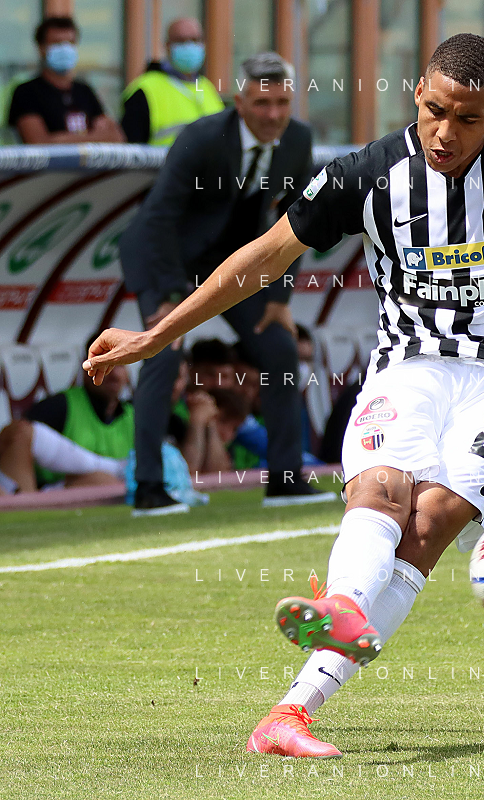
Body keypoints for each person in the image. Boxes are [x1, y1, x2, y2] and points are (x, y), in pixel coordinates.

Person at [83, 32, 484, 758]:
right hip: (409, 363)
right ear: (418, 94)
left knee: (426, 526)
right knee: (378, 491)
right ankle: (335, 618)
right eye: (436, 111)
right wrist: (156, 336)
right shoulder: (366, 173)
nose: (446, 132)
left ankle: (292, 710)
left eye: (468, 119)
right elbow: (259, 261)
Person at [117, 52, 323, 516]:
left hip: (230, 264)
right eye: (262, 103)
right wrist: (171, 299)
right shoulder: (202, 137)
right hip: (166, 257)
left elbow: (298, 221)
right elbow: (159, 217)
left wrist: (279, 298)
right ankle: (148, 488)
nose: (273, 114)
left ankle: (286, 480)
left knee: (279, 347)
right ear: (239, 101)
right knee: (161, 352)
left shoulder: (298, 139)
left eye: (282, 103)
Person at [0, 350, 130, 495]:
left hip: (100, 489)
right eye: (104, 365)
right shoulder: (60, 406)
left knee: (104, 481)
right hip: (36, 489)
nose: (113, 373)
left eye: (120, 365)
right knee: (19, 432)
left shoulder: (136, 415)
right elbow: (16, 437)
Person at [7, 16, 124, 144]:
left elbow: (116, 137)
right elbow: (39, 142)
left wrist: (60, 139)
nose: (65, 49)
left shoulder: (84, 91)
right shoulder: (27, 92)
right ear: (41, 48)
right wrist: (94, 137)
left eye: (71, 43)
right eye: (57, 43)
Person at [121, 16, 224, 146]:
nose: (189, 47)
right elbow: (131, 149)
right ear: (167, 46)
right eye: (181, 41)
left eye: (195, 40)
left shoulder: (207, 87)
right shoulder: (145, 89)